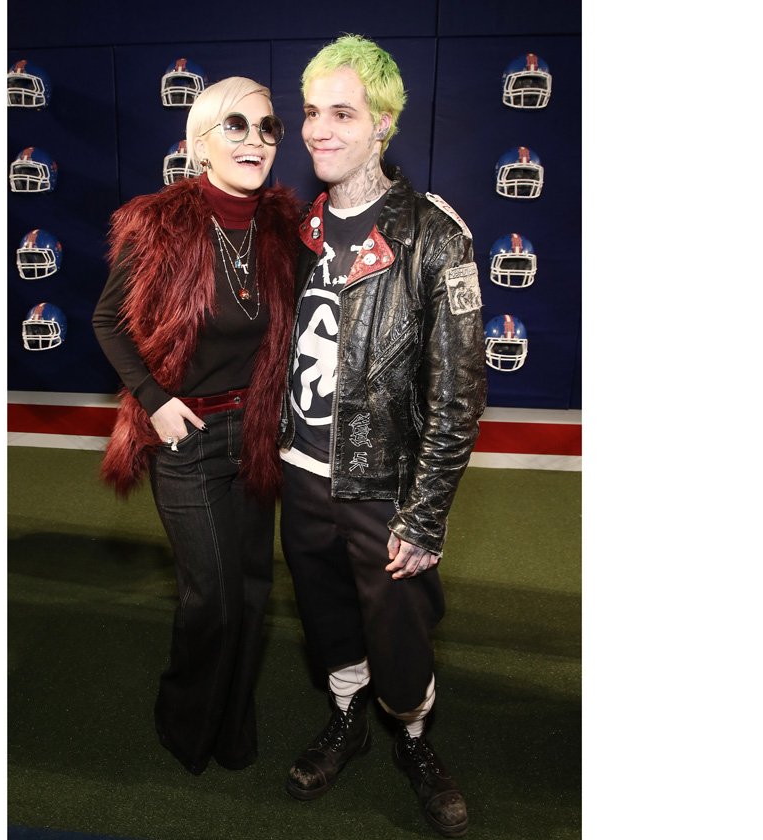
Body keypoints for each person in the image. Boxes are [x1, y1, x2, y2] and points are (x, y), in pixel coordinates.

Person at [277, 35, 487, 838]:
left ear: (384, 123)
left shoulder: (434, 234)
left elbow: (459, 395)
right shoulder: (297, 229)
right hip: (300, 473)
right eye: (310, 113)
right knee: (327, 618)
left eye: (342, 113)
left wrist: (424, 516)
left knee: (400, 641)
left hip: (384, 488)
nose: (318, 130)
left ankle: (414, 737)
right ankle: (347, 720)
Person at [92, 76, 301, 775]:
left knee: (253, 589)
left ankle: (232, 724)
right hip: (188, 439)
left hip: (257, 437)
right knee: (211, 597)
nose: (255, 140)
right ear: (199, 143)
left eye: (268, 128)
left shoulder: (282, 230)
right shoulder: (161, 223)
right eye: (235, 126)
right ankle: (186, 723)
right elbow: (108, 321)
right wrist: (154, 400)